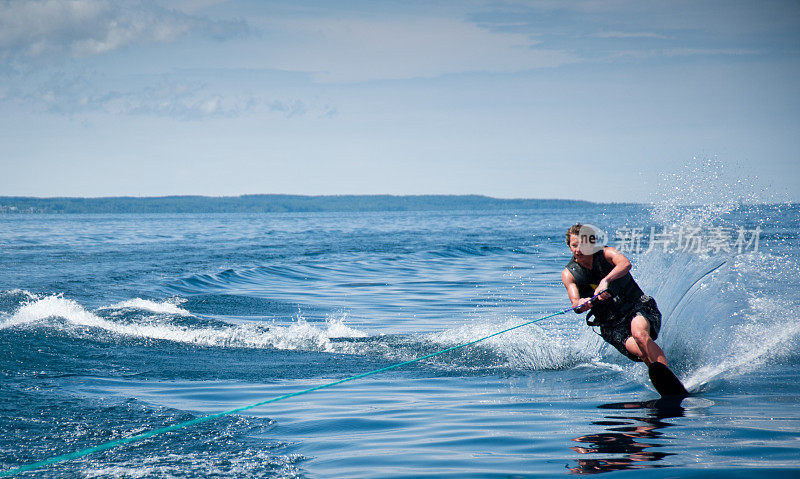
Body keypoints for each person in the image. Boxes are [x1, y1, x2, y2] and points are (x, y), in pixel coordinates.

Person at [561, 223, 668, 366]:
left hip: (636, 307)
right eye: (574, 246)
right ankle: (664, 381)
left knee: (640, 336)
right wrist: (581, 304)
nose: (578, 250)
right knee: (640, 352)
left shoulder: (607, 254)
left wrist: (606, 280)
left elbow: (625, 264)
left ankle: (667, 372)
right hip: (612, 325)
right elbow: (575, 304)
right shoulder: (569, 274)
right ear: (569, 246)